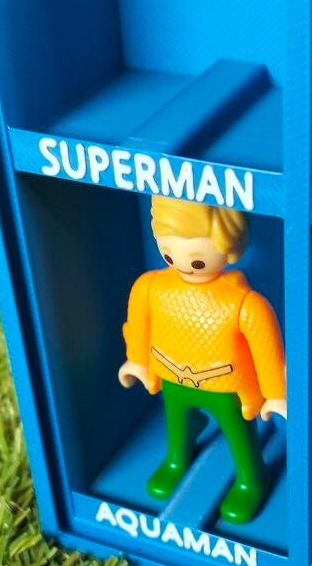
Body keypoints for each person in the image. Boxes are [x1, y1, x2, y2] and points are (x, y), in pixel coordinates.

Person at [118, 197, 286, 524]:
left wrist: (275, 393)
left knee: (239, 434)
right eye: (169, 252)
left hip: (225, 387)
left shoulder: (244, 304)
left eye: (195, 258)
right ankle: (176, 459)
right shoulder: (151, 287)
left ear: (230, 246)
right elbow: (138, 323)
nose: (181, 263)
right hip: (172, 377)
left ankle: (252, 477)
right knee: (176, 420)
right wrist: (136, 361)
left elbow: (266, 348)